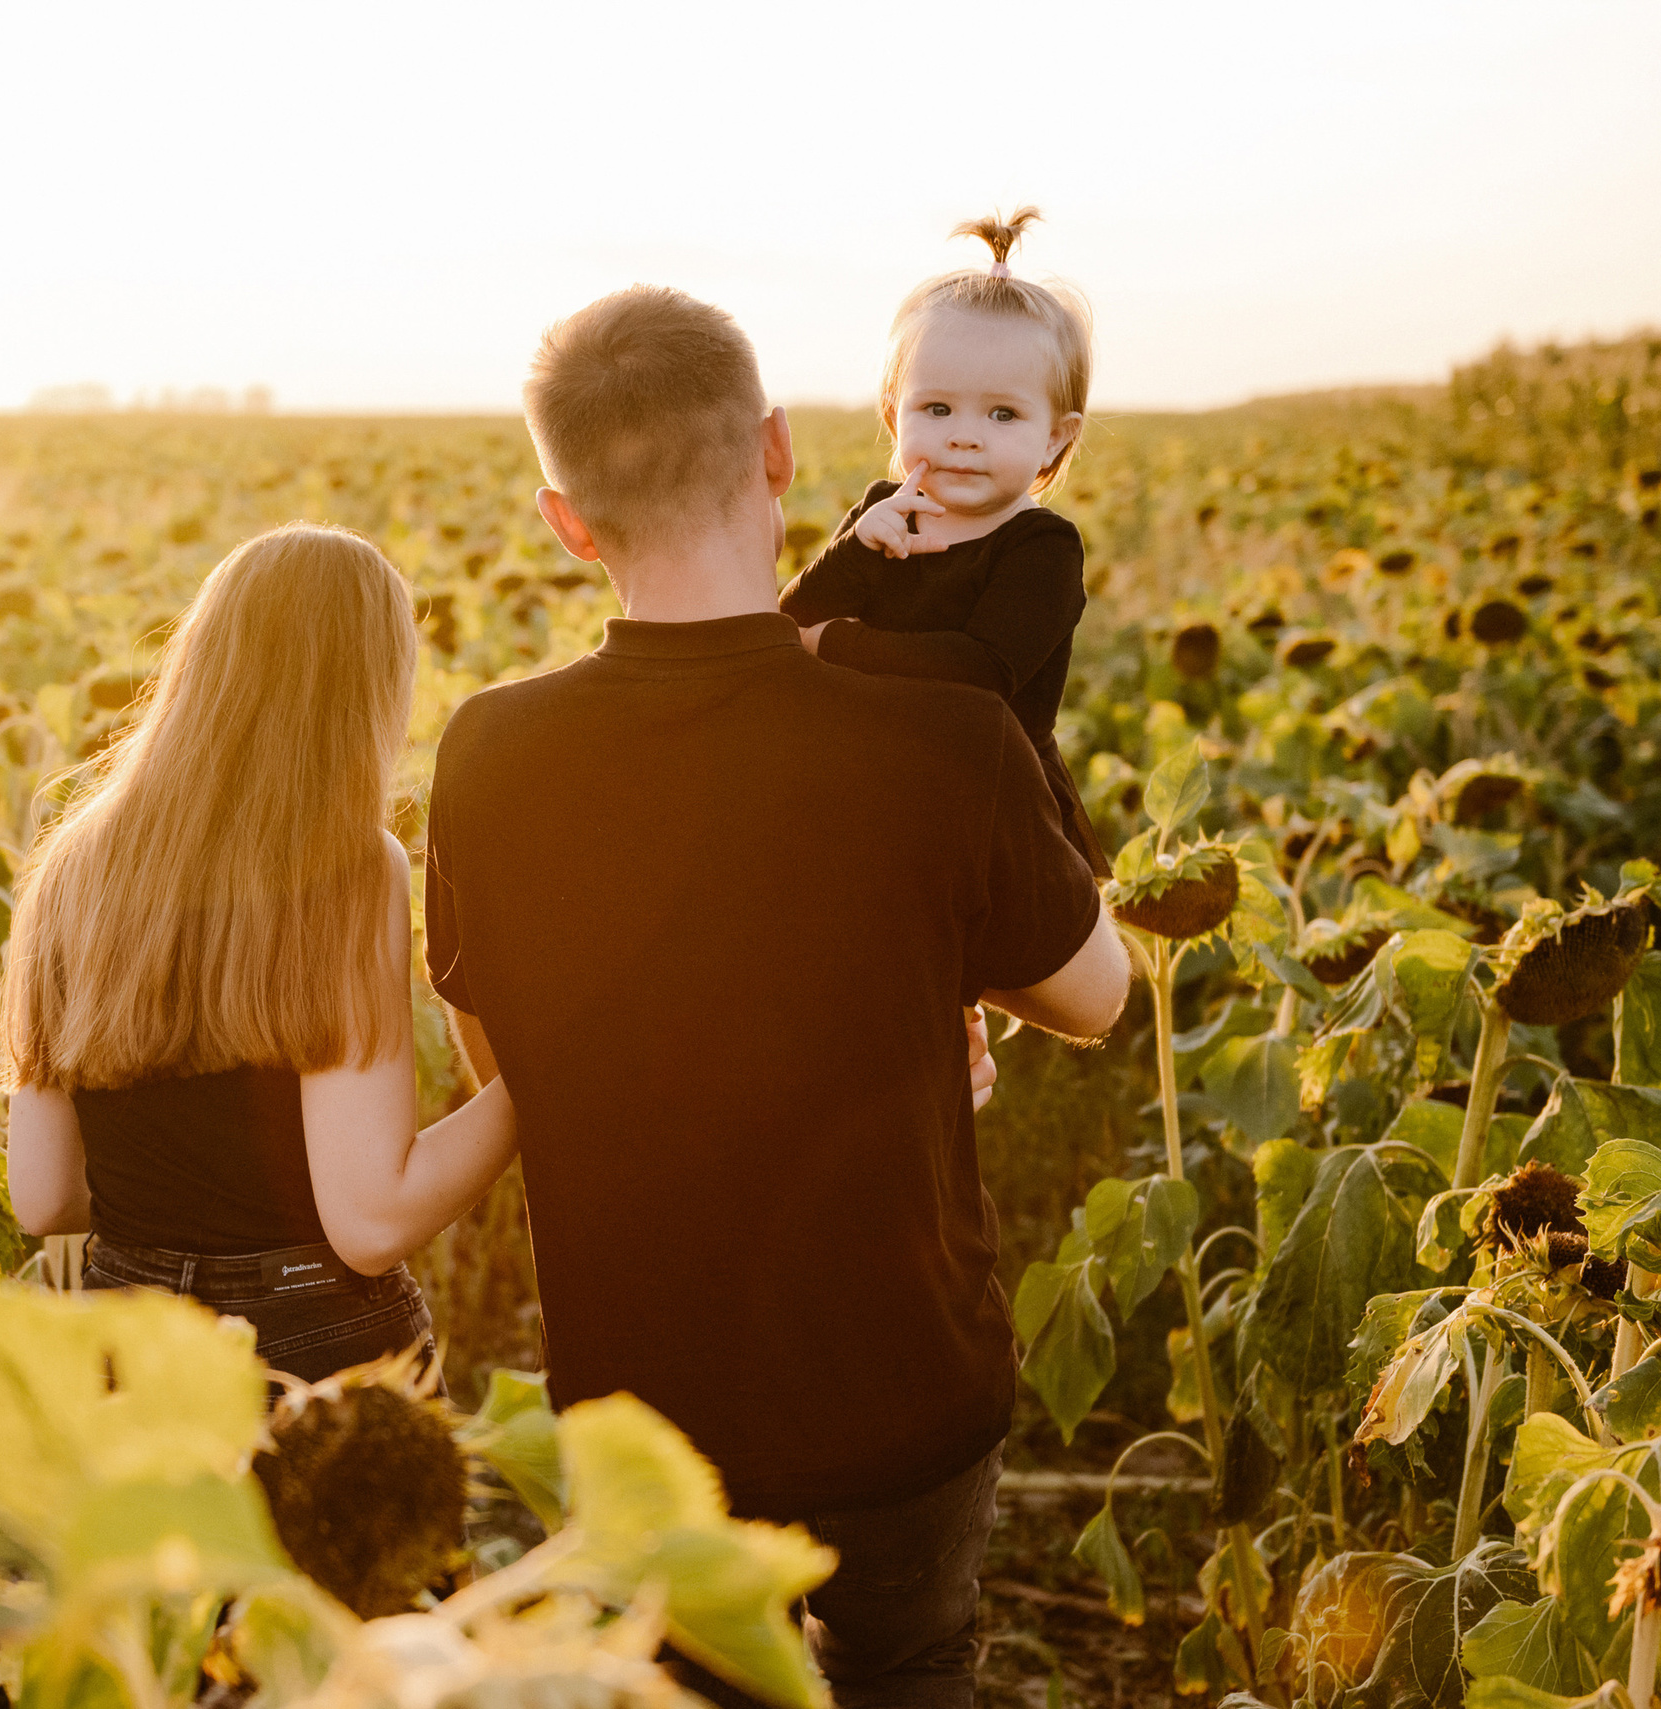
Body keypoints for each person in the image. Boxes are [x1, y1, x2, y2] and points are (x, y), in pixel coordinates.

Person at [424, 286, 1131, 1708]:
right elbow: (1099, 997)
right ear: (779, 455)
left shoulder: (492, 752)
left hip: (643, 1404)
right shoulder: (945, 733)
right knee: (907, 1668)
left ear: (567, 521)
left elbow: (502, 1053)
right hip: (902, 1389)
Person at [0, 522, 521, 1383]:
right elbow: (373, 1217)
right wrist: (530, 1091)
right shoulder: (349, 864)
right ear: (367, 692)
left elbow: (43, 1194)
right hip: (308, 1344)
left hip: (121, 1343)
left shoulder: (73, 863)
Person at [782, 208, 1109, 875]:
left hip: (998, 803)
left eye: (1002, 414)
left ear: (1056, 435)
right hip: (876, 785)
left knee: (1014, 970)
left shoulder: (1041, 547)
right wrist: (852, 552)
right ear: (892, 412)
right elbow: (790, 624)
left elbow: (978, 674)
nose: (964, 435)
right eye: (937, 408)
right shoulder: (885, 512)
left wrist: (838, 645)